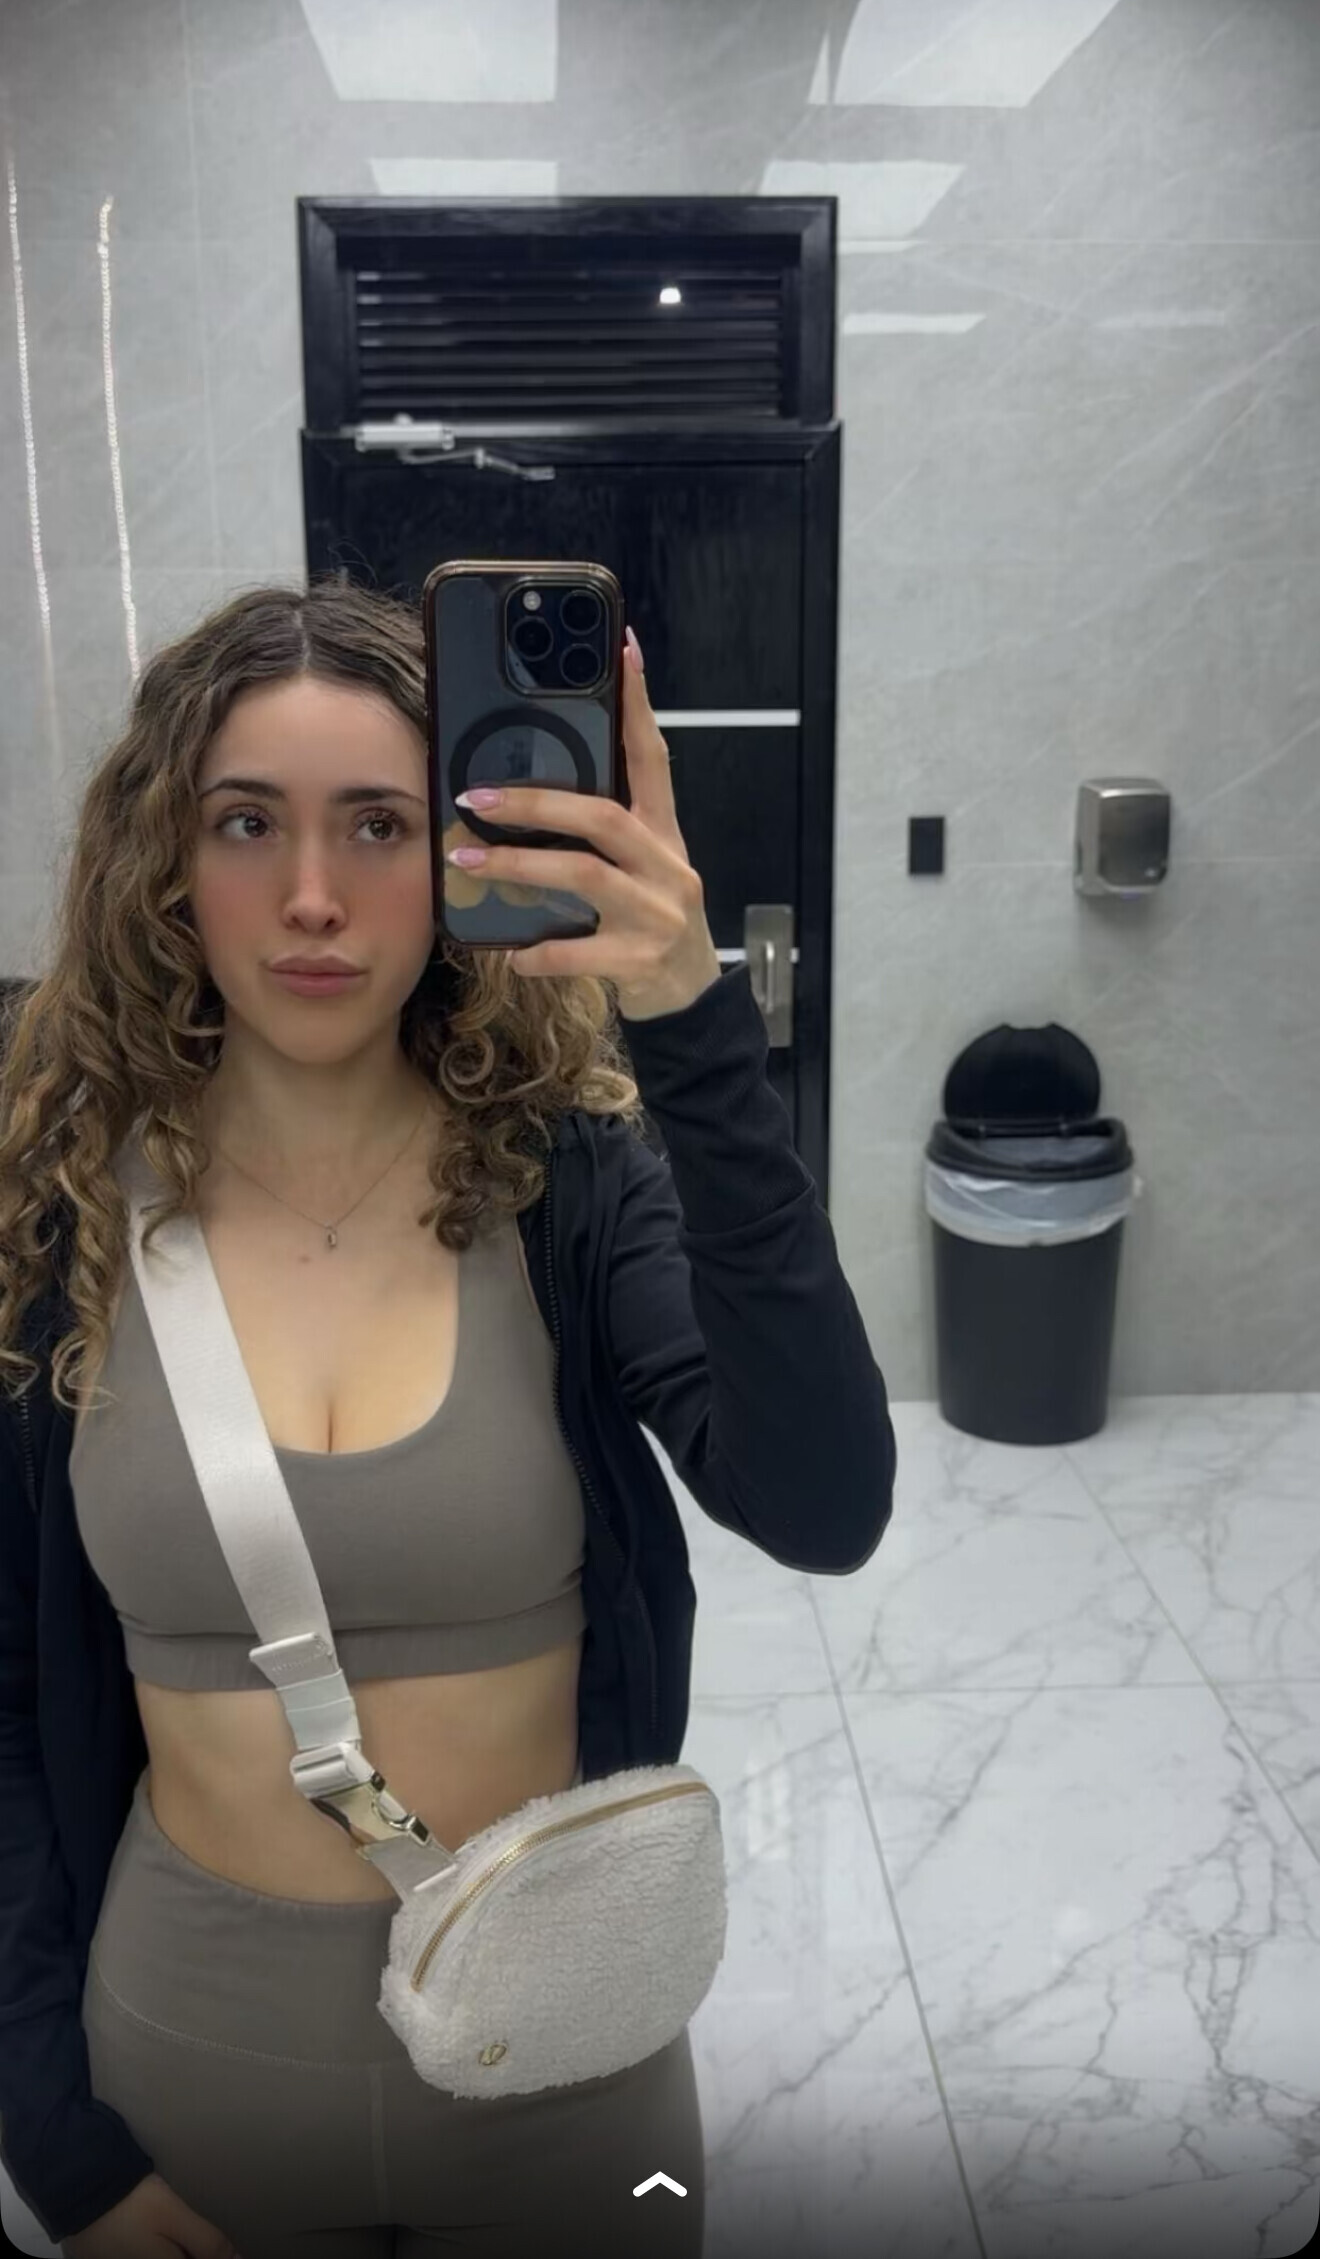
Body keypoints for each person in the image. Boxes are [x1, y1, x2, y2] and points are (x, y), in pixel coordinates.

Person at [0, 579, 897, 2258]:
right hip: (189, 2065)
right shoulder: (52, 1224)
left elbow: (826, 1503)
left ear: (461, 856)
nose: (314, 895)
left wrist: (693, 1021)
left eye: (379, 825)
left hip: (570, 2066)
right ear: (165, 864)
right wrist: (57, 2142)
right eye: (247, 822)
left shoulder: (574, 1188)